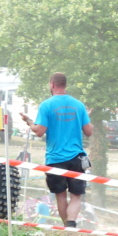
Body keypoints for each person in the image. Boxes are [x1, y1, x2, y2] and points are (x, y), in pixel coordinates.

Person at [19, 73, 92, 227]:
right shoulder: (79, 105)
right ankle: (71, 223)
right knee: (76, 195)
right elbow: (89, 131)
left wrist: (29, 121)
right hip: (76, 157)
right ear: (65, 85)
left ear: (52, 84)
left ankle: (67, 228)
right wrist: (85, 117)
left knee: (60, 195)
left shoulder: (46, 105)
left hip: (55, 158)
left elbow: (39, 131)